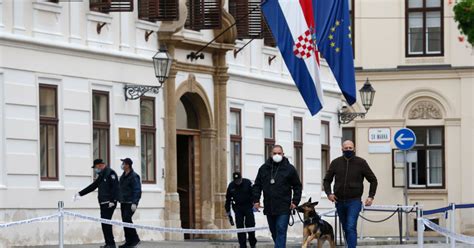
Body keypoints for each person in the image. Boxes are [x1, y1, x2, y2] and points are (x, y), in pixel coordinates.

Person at [323, 140, 378, 248]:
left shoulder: (361, 162)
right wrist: (329, 193)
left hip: (354, 201)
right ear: (342, 149)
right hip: (339, 201)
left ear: (354, 148)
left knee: (350, 226)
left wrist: (371, 196)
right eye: (346, 148)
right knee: (345, 227)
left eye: (350, 148)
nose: (348, 150)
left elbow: (373, 180)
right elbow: (326, 180)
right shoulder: (335, 163)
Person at [252, 145, 302, 248]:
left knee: (281, 229)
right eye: (275, 153)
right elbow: (257, 185)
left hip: (284, 206)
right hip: (269, 206)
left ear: (283, 154)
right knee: (274, 231)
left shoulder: (289, 169)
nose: (277, 155)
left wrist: (295, 201)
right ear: (271, 154)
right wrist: (256, 200)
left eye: (279, 153)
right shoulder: (264, 168)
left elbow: (297, 186)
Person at [74, 159, 120, 248]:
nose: (95, 170)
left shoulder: (110, 173)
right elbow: (93, 186)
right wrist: (80, 193)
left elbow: (115, 187)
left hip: (109, 203)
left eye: (95, 167)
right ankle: (109, 243)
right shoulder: (102, 175)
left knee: (106, 223)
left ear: (99, 165)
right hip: (103, 203)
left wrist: (112, 200)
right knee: (104, 224)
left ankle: (111, 244)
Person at [225, 172, 257, 248]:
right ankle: (242, 245)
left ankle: (252, 243)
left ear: (241, 178)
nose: (238, 182)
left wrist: (255, 202)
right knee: (240, 227)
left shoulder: (247, 182)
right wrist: (227, 210)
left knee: (250, 224)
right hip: (238, 208)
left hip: (248, 206)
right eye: (236, 181)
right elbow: (228, 199)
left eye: (239, 180)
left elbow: (254, 193)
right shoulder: (231, 186)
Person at [118, 158, 142, 248]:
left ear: (128, 165)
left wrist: (135, 203)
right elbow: (120, 188)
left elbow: (137, 190)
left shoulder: (134, 176)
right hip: (123, 202)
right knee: (125, 221)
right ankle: (128, 241)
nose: (122, 165)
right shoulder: (123, 176)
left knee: (127, 219)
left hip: (130, 202)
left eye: (124, 163)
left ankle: (135, 239)